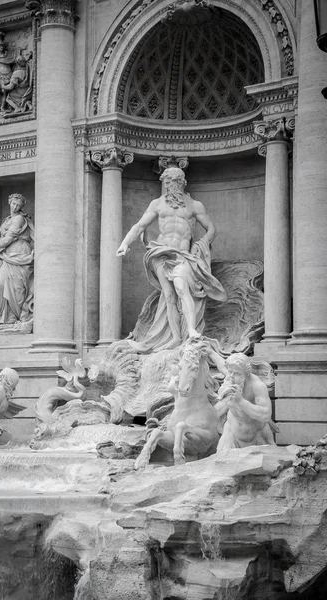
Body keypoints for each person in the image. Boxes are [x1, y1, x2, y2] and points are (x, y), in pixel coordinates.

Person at [116, 167, 226, 352]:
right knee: (168, 296)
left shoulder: (194, 205)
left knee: (182, 288)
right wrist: (125, 243)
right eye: (165, 183)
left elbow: (211, 229)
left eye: (171, 182)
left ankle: (191, 330)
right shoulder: (157, 204)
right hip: (160, 253)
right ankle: (175, 337)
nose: (167, 186)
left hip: (182, 255)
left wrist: (200, 245)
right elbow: (140, 225)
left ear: (181, 183)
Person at [0, 193, 34, 332]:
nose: (15, 206)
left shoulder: (19, 219)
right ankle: (2, 317)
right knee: (0, 283)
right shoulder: (7, 219)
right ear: (9, 202)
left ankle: (13, 317)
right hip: (6, 255)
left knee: (17, 287)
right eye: (13, 203)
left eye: (18, 205)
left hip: (19, 253)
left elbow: (9, 238)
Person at [215, 353, 275, 450]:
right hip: (230, 434)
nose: (231, 376)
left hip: (256, 438)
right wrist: (209, 350)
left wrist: (241, 401)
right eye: (230, 372)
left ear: (246, 374)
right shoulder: (231, 376)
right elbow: (220, 363)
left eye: (237, 374)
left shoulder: (257, 386)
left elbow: (265, 415)